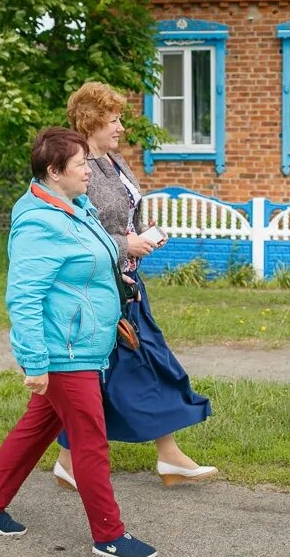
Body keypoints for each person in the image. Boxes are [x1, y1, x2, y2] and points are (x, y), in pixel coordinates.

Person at [0, 126, 158, 557]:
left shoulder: (74, 208)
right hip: (64, 350)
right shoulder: (38, 224)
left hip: (84, 342)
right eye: (79, 166)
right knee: (90, 440)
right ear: (55, 172)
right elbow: (24, 297)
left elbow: (87, 265)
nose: (88, 172)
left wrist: (116, 279)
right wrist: (34, 361)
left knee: (37, 428)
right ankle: (109, 535)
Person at [54, 82, 215, 489]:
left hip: (126, 280)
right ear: (91, 123)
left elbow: (125, 213)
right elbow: (74, 233)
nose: (121, 127)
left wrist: (144, 237)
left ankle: (159, 454)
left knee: (127, 365)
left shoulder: (114, 161)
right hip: (96, 286)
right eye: (113, 120)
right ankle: (82, 459)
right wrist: (128, 244)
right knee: (109, 369)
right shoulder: (76, 167)